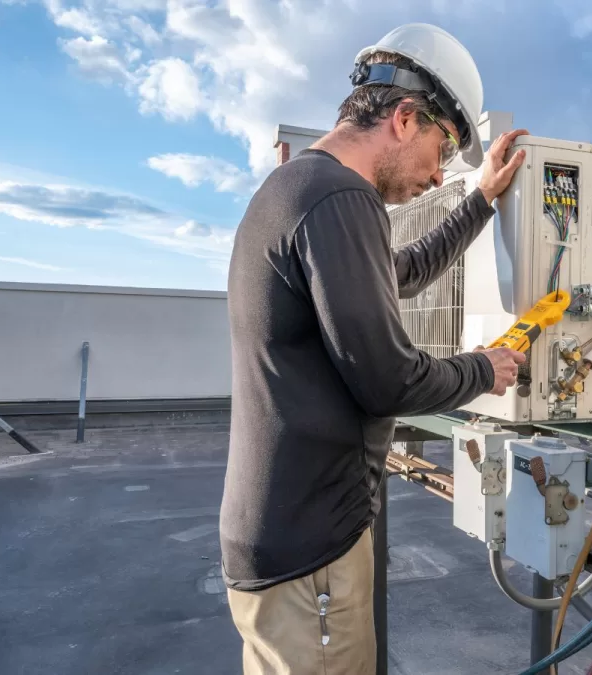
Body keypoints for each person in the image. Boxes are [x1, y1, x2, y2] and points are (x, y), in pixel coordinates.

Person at [219, 22, 529, 674]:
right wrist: (486, 369)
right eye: (442, 146)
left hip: (283, 538)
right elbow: (387, 379)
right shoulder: (339, 199)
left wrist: (481, 202)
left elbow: (404, 268)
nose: (439, 171)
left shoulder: (303, 190)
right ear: (405, 118)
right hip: (312, 557)